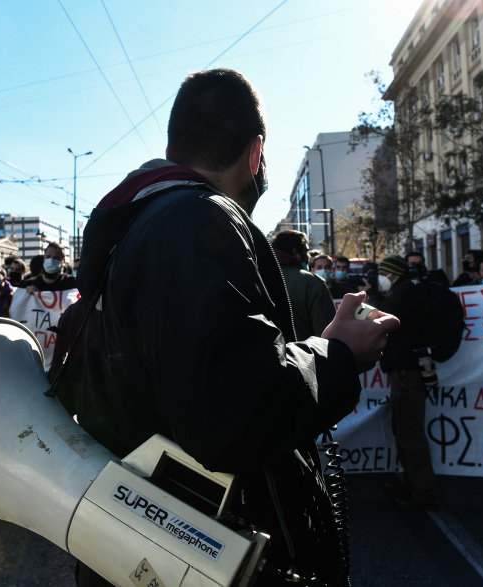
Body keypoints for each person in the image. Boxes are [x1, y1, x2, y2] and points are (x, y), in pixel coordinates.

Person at [61, 68, 398, 586]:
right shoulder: (195, 220)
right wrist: (338, 353)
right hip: (206, 552)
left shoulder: (144, 223)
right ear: (255, 153)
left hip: (154, 546)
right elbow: (236, 416)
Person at [363, 255, 441, 511]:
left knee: (410, 432)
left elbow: (379, 316)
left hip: (409, 371)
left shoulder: (407, 290)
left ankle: (424, 494)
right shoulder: (410, 288)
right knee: (403, 429)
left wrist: (370, 293)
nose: (380, 279)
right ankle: (411, 483)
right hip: (405, 370)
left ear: (393, 274)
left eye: (382, 275)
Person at [271, 230, 335, 338]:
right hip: (306, 353)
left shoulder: (258, 280)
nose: (309, 257)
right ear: (296, 253)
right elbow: (328, 333)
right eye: (306, 251)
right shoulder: (313, 282)